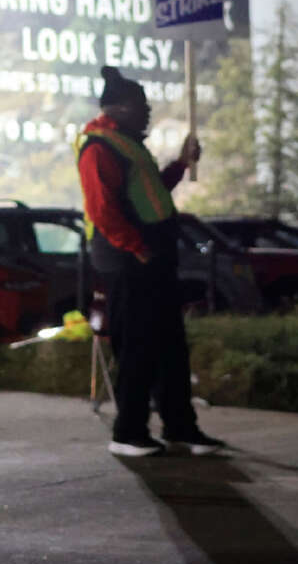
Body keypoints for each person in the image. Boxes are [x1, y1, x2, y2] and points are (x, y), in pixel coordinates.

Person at [76, 65, 224, 457]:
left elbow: (151, 193)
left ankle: (180, 427)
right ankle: (128, 433)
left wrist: (181, 163)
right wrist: (135, 246)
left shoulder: (126, 144)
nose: (148, 112)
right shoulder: (98, 148)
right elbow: (103, 209)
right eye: (141, 105)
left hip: (151, 257)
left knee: (170, 346)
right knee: (139, 347)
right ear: (119, 107)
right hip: (128, 260)